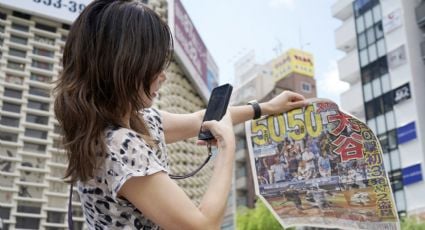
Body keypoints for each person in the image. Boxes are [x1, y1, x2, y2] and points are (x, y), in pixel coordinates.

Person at [53, 0, 307, 229]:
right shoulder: (119, 145)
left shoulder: (124, 126)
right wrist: (227, 145)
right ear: (123, 66)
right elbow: (203, 226)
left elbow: (200, 120)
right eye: (154, 65)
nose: (162, 75)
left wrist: (264, 108)